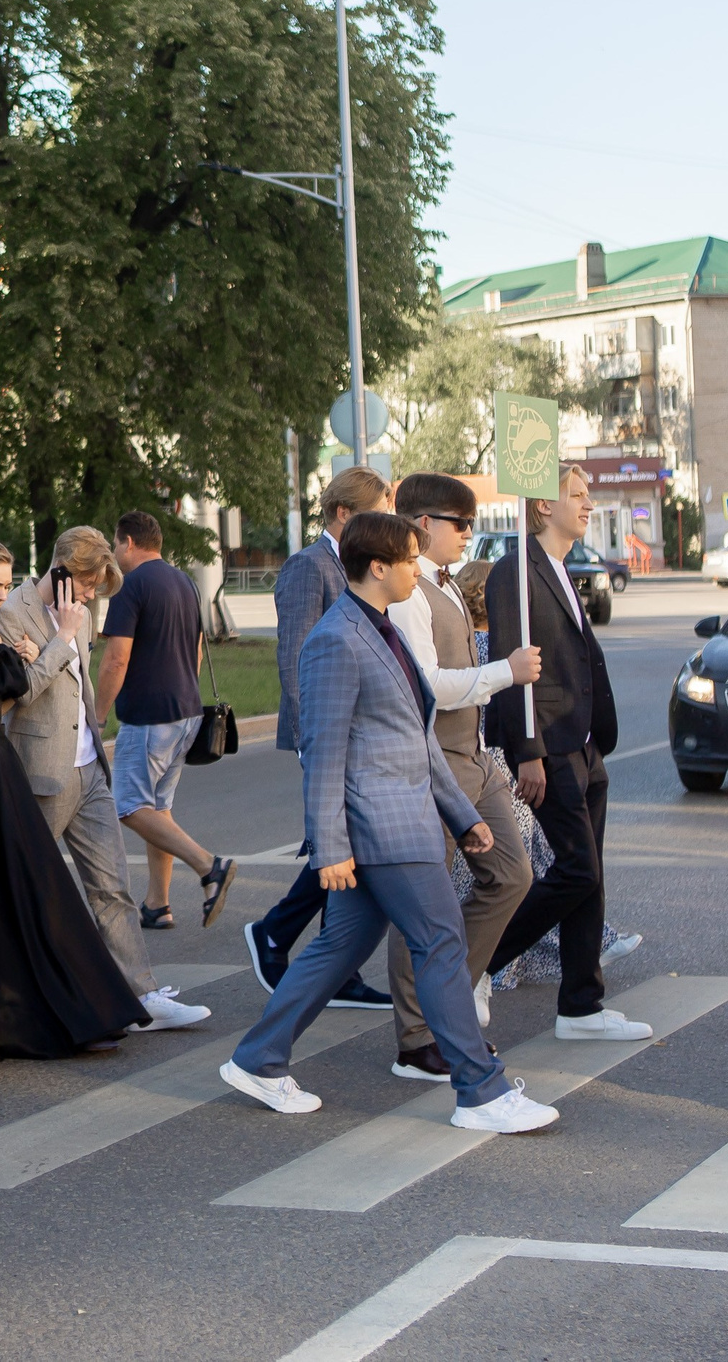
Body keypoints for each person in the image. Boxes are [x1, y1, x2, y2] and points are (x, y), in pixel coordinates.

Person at [219, 512, 559, 1134]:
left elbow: (418, 737)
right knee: (442, 943)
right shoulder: (335, 639)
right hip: (384, 828)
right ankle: (480, 1093)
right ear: (377, 566)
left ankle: (258, 1058)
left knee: (338, 947)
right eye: (408, 559)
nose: (416, 568)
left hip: (407, 819)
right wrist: (328, 850)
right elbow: (323, 754)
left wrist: (462, 818)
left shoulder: (383, 629)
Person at [0, 538, 149, 1056]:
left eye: (5, 584)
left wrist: (31, 658)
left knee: (26, 892)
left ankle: (56, 1008)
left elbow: (4, 703)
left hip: (0, 766)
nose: (1, 595)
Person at [0, 526, 209, 1031]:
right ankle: (15, 1000)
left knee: (113, 887)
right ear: (64, 571)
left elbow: (83, 682)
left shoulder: (84, 613)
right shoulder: (10, 613)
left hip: (89, 768)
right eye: (89, 584)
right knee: (28, 889)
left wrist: (96, 725)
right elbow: (19, 694)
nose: (92, 596)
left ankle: (143, 998)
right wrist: (63, 637)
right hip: (41, 773)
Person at [378, 474, 540, 1082]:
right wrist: (506, 671)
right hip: (437, 763)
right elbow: (428, 685)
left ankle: (449, 1002)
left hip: (474, 759)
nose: (469, 534)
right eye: (459, 523)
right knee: (421, 904)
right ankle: (418, 1037)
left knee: (512, 876)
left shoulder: (442, 584)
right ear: (422, 524)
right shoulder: (408, 592)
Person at [479, 466, 650, 1043]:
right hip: (545, 743)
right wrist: (527, 753)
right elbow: (512, 662)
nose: (587, 502)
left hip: (583, 744)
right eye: (575, 494)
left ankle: (581, 1005)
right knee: (577, 869)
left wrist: (594, 741)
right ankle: (478, 960)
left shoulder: (559, 567)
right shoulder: (514, 573)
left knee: (591, 876)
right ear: (541, 507)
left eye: (588, 492)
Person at [245, 465, 397, 1010]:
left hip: (364, 729)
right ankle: (297, 945)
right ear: (343, 513)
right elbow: (295, 658)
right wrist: (315, 736)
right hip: (327, 730)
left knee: (343, 843)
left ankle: (284, 937)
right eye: (377, 512)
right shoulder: (309, 567)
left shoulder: (360, 565)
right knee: (339, 842)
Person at [97, 511, 232, 929]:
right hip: (186, 711)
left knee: (130, 806)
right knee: (158, 807)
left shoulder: (130, 585)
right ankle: (158, 904)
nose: (116, 554)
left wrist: (96, 715)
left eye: (116, 545)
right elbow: (194, 649)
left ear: (129, 543)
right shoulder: (183, 582)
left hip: (149, 716)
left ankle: (209, 865)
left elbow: (116, 658)